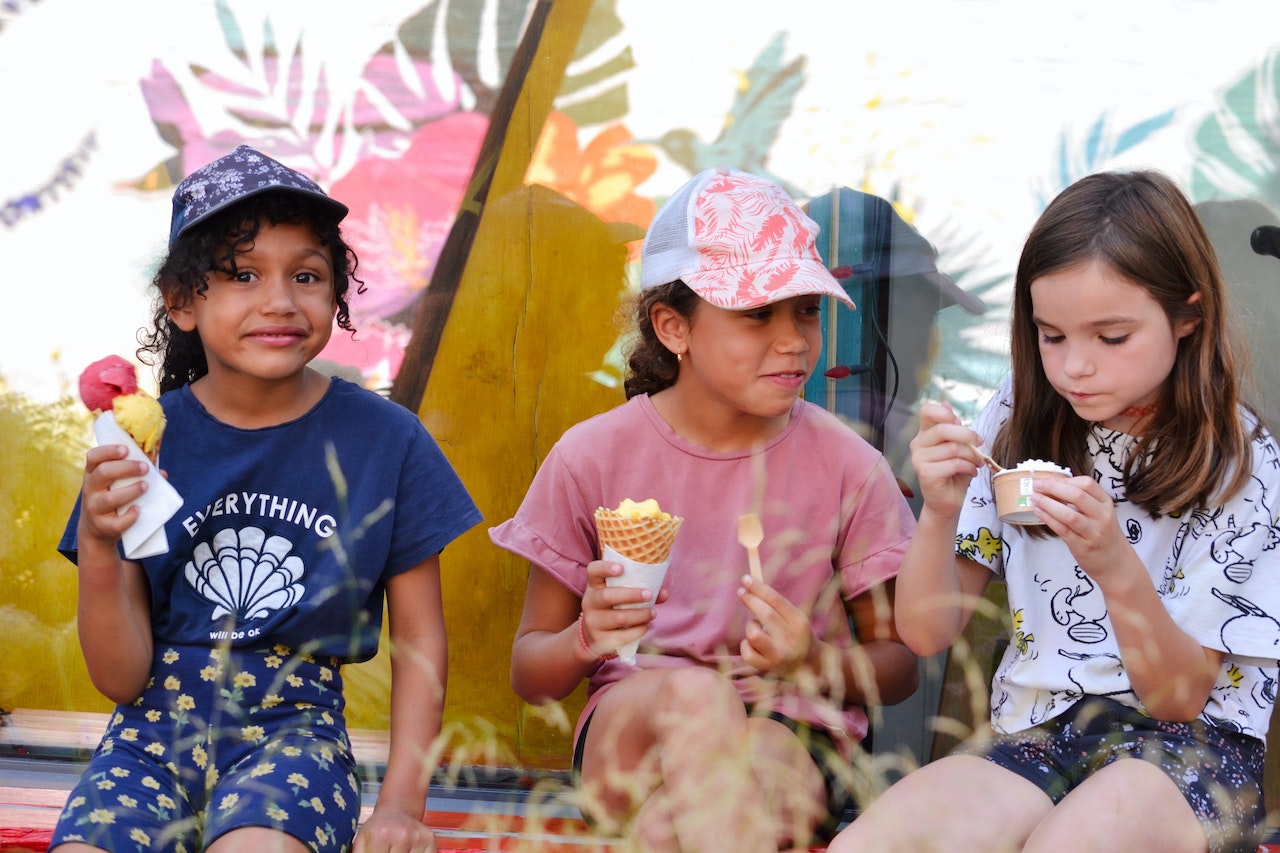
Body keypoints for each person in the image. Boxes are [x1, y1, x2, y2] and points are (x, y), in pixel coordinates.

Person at [829, 170, 1280, 853]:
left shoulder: (1239, 459)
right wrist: (940, 511)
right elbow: (926, 632)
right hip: (1038, 734)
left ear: (1187, 316)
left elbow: (1181, 699)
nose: (1074, 367)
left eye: (1111, 337)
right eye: (1052, 335)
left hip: (1196, 752)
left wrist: (1113, 564)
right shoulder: (1020, 413)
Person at [53, 145, 482, 853]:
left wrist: (402, 804)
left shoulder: (387, 441)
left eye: (307, 275)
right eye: (244, 274)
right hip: (145, 743)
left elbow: (421, 639)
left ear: (337, 293)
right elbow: (118, 675)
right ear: (182, 302)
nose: (280, 300)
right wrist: (101, 544)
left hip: (295, 744)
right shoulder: (142, 444)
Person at [489, 167, 920, 852]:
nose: (794, 339)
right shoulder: (592, 456)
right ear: (672, 327)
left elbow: (899, 665)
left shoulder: (849, 466)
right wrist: (583, 638)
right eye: (757, 314)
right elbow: (529, 673)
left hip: (792, 736)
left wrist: (812, 661)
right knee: (697, 698)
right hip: (635, 723)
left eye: (806, 309)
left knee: (673, 826)